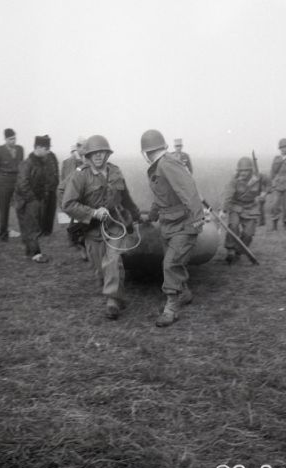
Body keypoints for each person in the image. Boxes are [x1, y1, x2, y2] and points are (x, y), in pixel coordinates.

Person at [62, 135, 141, 320]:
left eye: (102, 152)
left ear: (107, 154)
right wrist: (93, 213)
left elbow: (126, 198)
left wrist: (136, 217)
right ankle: (116, 293)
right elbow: (68, 204)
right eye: (94, 153)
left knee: (112, 260)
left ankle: (112, 300)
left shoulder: (116, 172)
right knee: (100, 266)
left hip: (115, 224)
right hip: (91, 228)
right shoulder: (80, 175)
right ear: (88, 156)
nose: (98, 156)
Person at [141, 129, 204, 327]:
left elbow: (188, 189)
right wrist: (151, 216)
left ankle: (171, 309)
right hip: (169, 224)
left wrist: (198, 218)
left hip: (184, 224)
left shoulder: (167, 164)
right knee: (174, 262)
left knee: (170, 264)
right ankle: (184, 293)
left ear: (146, 152)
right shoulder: (159, 165)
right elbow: (161, 197)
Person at [221, 156, 269, 263]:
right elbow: (228, 195)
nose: (243, 173)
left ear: (251, 170)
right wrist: (224, 210)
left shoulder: (259, 177)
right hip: (236, 206)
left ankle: (239, 251)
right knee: (233, 226)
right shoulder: (234, 180)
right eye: (241, 170)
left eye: (246, 170)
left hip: (251, 208)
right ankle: (230, 250)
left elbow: (269, 184)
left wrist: (264, 193)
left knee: (248, 234)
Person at [14, 135, 54, 263]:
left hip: (35, 199)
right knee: (31, 227)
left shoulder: (42, 163)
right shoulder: (27, 164)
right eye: (46, 149)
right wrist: (32, 199)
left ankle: (29, 252)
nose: (48, 151)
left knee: (30, 226)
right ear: (38, 147)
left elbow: (45, 181)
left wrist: (44, 195)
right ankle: (36, 254)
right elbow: (22, 184)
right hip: (26, 201)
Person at [0, 128, 24, 241]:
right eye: (10, 139)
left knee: (21, 207)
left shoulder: (20, 149)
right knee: (4, 210)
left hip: (17, 182)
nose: (13, 141)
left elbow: (22, 165)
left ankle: (25, 233)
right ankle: (3, 235)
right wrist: (1, 180)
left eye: (14, 138)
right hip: (4, 183)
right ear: (5, 139)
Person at [40, 136, 59, 235]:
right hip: (43, 189)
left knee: (51, 209)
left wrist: (56, 181)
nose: (48, 148)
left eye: (49, 146)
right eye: (46, 146)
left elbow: (56, 169)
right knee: (42, 210)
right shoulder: (40, 157)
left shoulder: (52, 155)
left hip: (52, 188)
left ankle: (48, 230)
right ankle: (41, 230)